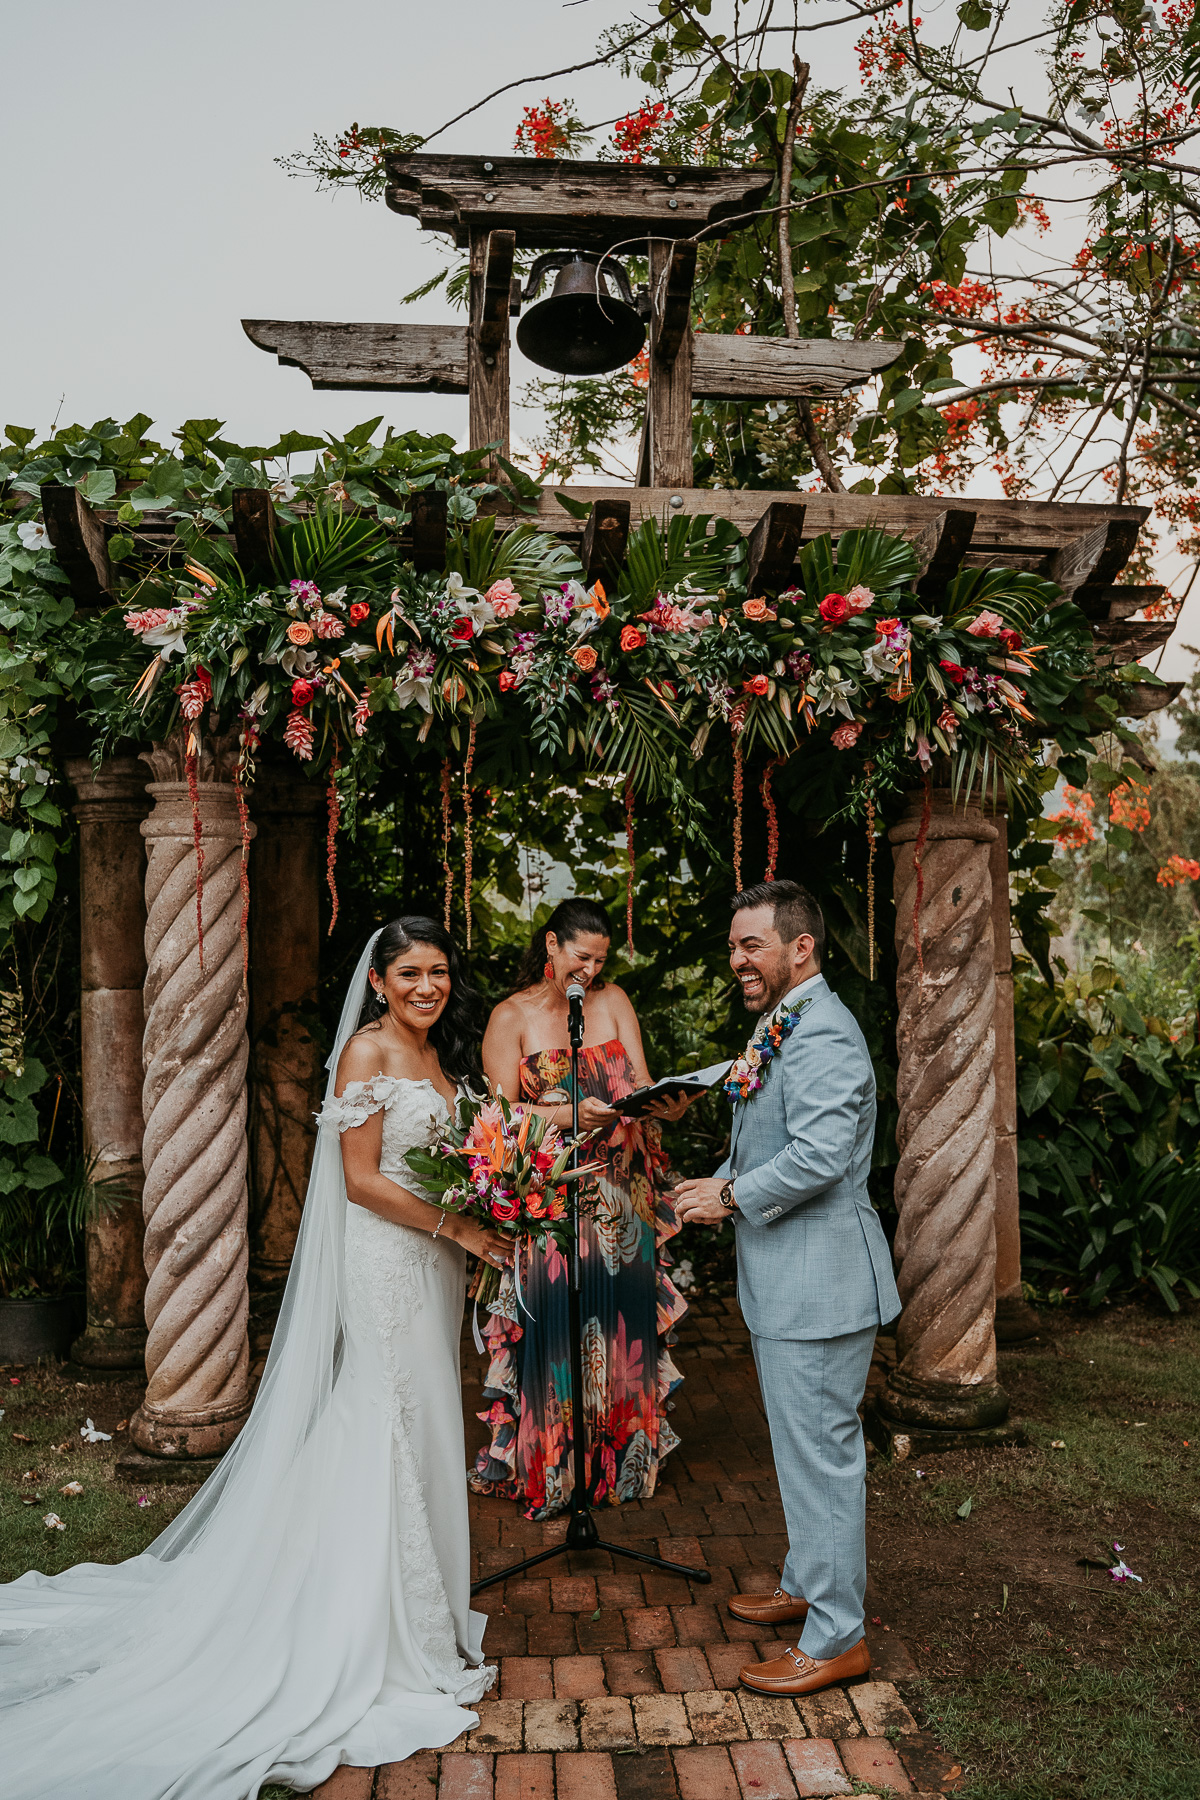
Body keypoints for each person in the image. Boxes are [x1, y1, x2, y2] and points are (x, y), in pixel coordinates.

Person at [0, 917, 506, 1797]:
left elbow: (447, 1160)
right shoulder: (366, 1055)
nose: (429, 988)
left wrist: (484, 1206)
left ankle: (406, 1600)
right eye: (412, 975)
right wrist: (457, 1222)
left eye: (440, 973)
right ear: (379, 981)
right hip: (388, 1259)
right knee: (384, 1412)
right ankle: (369, 1621)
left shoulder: (440, 1057)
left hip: (432, 1257)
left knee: (418, 1414)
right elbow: (357, 1181)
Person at [671, 880, 901, 1699]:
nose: (736, 960)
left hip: (823, 1283)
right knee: (800, 1451)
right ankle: (806, 1582)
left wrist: (729, 1196)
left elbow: (821, 1158)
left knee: (823, 1458)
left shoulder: (826, 1034)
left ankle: (837, 1638)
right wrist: (715, 1176)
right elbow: (761, 1123)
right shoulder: (785, 1022)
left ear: (800, 946)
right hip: (793, 1280)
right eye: (734, 946)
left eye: (749, 946)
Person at [471, 898, 691, 1517]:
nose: (590, 971)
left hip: (623, 1202)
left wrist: (664, 1103)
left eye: (599, 960)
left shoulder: (615, 1002)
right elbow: (499, 1118)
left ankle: (621, 1468)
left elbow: (641, 1080)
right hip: (551, 1204)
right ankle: (556, 1472)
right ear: (550, 944)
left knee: (622, 1335)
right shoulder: (510, 1016)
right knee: (558, 1337)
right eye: (580, 956)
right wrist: (569, 1116)